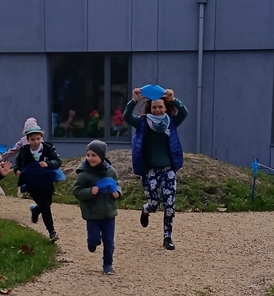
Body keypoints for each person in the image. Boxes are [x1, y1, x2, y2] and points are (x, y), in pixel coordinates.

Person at [123, 87, 188, 250]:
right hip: (150, 170)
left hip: (168, 170)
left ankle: (167, 237)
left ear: (165, 108)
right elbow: (127, 117)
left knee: (170, 205)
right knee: (154, 204)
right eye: (154, 107)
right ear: (149, 108)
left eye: (160, 107)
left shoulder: (171, 122)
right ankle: (146, 209)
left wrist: (174, 100)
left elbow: (184, 113)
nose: (157, 110)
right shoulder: (143, 122)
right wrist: (134, 101)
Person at [73, 140, 122, 275]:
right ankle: (92, 242)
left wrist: (118, 193)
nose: (90, 158)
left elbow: (117, 184)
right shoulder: (84, 174)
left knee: (109, 241)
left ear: (102, 156)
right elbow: (76, 191)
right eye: (88, 155)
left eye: (94, 155)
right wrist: (89, 191)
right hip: (92, 213)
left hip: (109, 213)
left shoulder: (111, 171)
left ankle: (108, 265)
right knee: (95, 239)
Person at [14, 124, 62, 242]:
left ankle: (35, 210)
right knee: (45, 206)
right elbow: (17, 162)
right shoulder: (24, 151)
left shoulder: (48, 149)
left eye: (38, 139)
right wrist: (17, 170)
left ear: (41, 138)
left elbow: (58, 161)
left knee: (48, 203)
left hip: (46, 182)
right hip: (32, 183)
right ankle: (52, 232)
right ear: (28, 140)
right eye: (32, 139)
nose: (36, 142)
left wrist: (48, 164)